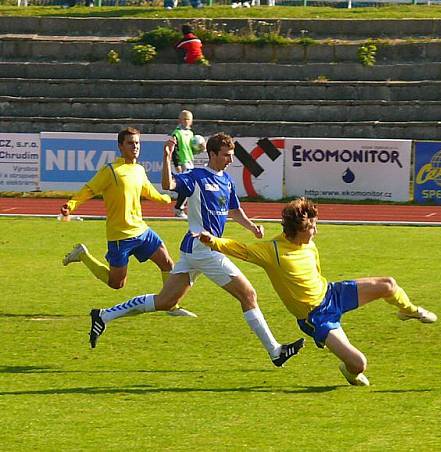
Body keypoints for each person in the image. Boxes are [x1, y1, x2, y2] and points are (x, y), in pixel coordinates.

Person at [87, 132, 305, 368]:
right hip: (202, 248)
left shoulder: (227, 181)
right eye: (226, 156)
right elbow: (168, 185)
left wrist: (252, 227)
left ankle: (104, 315)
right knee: (248, 294)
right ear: (212, 154)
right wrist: (167, 157)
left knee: (165, 301)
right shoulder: (197, 177)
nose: (230, 160)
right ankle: (275, 351)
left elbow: (233, 210)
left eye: (231, 156)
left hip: (199, 250)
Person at [196, 197, 437, 386]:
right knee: (359, 364)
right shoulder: (273, 251)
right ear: (299, 230)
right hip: (316, 317)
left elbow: (316, 270)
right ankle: (348, 370)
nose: (316, 232)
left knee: (388, 284)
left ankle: (410, 311)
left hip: (331, 294)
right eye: (312, 228)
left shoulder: (309, 243)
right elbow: (242, 249)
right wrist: (213, 241)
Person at [60, 127, 195, 317]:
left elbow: (147, 190)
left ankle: (171, 305)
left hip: (141, 230)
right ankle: (82, 255)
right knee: (117, 284)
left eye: (137, 143)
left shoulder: (139, 169)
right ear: (120, 146)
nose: (135, 146)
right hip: (120, 236)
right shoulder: (111, 170)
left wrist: (164, 198)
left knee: (167, 263)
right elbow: (90, 189)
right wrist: (71, 204)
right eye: (130, 143)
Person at [170, 110, 199, 219]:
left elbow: (191, 149)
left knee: (189, 186)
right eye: (184, 119)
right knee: (187, 186)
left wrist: (200, 149)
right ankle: (179, 209)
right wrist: (177, 163)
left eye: (188, 119)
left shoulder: (191, 133)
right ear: (180, 120)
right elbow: (174, 149)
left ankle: (181, 208)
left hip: (190, 161)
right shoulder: (176, 133)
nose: (186, 121)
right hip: (183, 163)